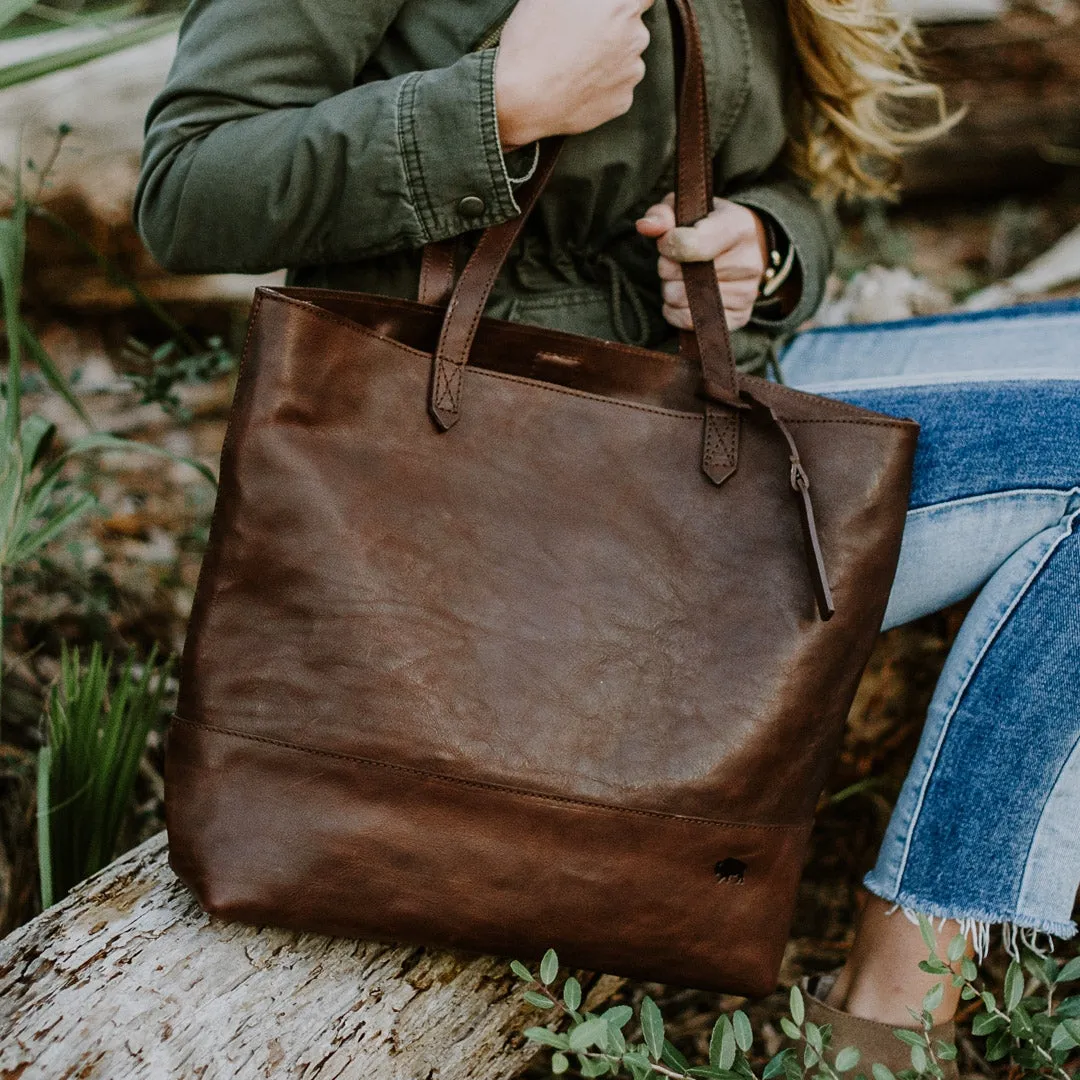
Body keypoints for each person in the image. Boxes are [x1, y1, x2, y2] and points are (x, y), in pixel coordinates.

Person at [134, 0, 1080, 1070]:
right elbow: (186, 185)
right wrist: (491, 109)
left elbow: (784, 179)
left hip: (700, 414)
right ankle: (896, 1017)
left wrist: (760, 249)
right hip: (499, 488)